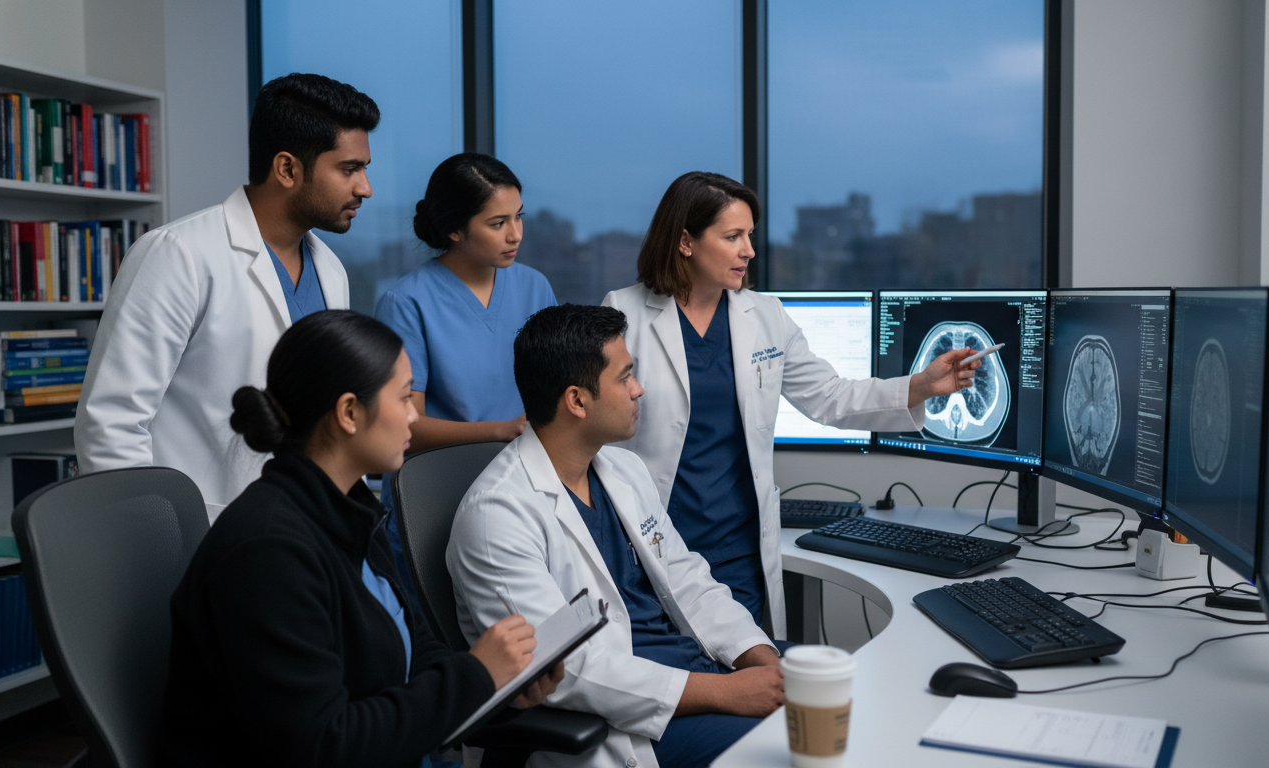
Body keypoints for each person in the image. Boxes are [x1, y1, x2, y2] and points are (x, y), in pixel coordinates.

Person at [160, 310, 562, 768]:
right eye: (404, 397)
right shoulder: (266, 551)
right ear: (350, 412)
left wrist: (499, 687)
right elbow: (321, 746)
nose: (414, 416)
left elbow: (416, 655)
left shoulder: (348, 511)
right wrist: (474, 676)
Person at [601, 172, 979, 638]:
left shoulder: (765, 316)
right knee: (676, 682)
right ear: (685, 241)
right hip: (656, 542)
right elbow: (598, 432)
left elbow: (830, 397)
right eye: (732, 237)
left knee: (754, 678)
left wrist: (919, 386)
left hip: (738, 549)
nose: (749, 251)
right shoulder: (625, 313)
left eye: (750, 237)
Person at [447, 304, 785, 768]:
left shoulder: (621, 469)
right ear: (577, 400)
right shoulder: (497, 516)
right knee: (794, 746)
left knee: (835, 685)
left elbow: (688, 579)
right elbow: (567, 670)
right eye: (625, 377)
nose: (638, 389)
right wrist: (726, 692)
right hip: (624, 721)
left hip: (693, 670)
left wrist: (758, 659)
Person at [76, 73, 377, 522]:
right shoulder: (178, 255)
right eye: (349, 169)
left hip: (304, 534)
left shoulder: (329, 269)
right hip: (200, 534)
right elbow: (112, 423)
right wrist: (155, 545)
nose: (365, 187)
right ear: (288, 169)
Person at [374, 153, 555, 579]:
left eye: (519, 217)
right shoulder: (407, 303)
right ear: (454, 230)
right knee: (436, 639)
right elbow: (405, 425)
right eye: (497, 224)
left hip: (519, 494)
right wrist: (500, 431)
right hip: (431, 501)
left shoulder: (535, 287)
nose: (515, 235)